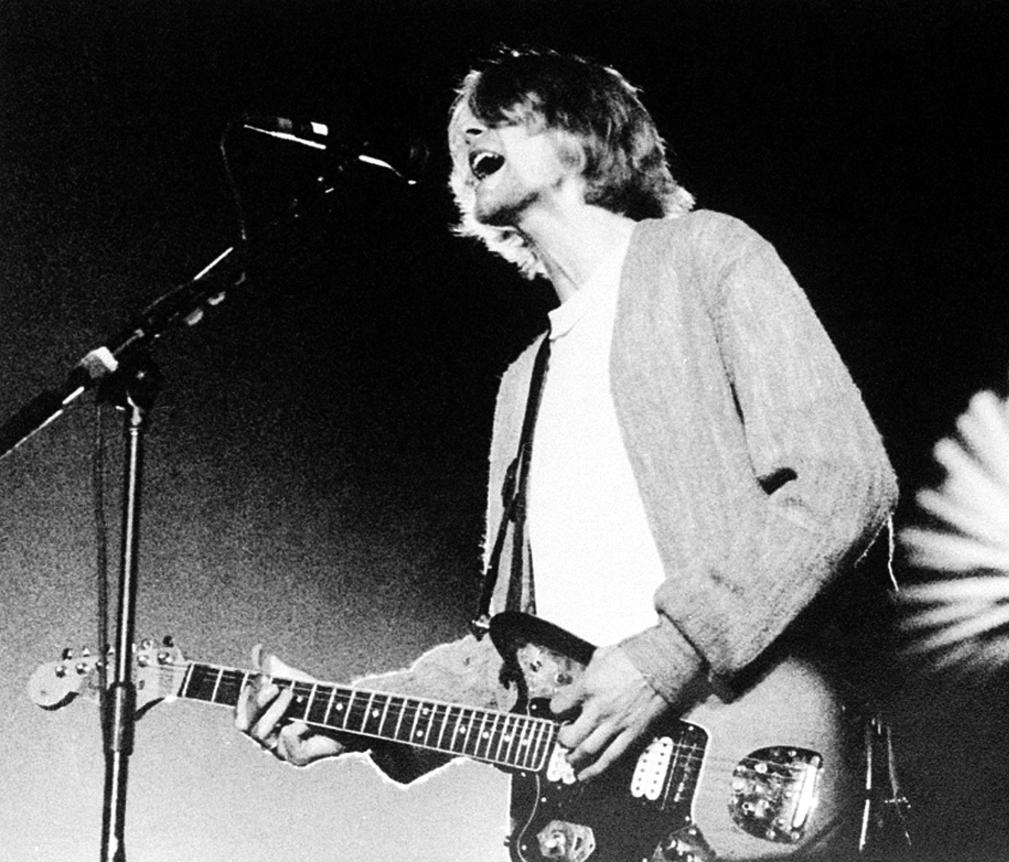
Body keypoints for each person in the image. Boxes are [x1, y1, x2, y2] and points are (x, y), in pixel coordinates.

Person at [236, 46, 899, 856]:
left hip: (751, 759)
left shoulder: (703, 258)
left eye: (499, 115)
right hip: (589, 817)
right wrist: (353, 715)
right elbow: (517, 655)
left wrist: (667, 656)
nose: (466, 136)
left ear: (581, 136)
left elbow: (842, 483)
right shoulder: (524, 382)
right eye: (458, 137)